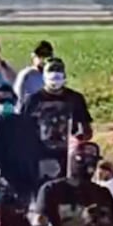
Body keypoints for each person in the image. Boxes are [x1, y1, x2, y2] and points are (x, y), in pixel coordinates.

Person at [24, 58, 94, 186]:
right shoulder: (33, 101)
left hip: (68, 155)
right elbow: (22, 129)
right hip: (41, 155)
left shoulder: (75, 99)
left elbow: (87, 129)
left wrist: (79, 139)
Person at [14, 40, 54, 109]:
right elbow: (18, 97)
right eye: (40, 55)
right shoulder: (26, 74)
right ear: (33, 56)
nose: (42, 58)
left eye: (46, 55)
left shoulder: (53, 75)